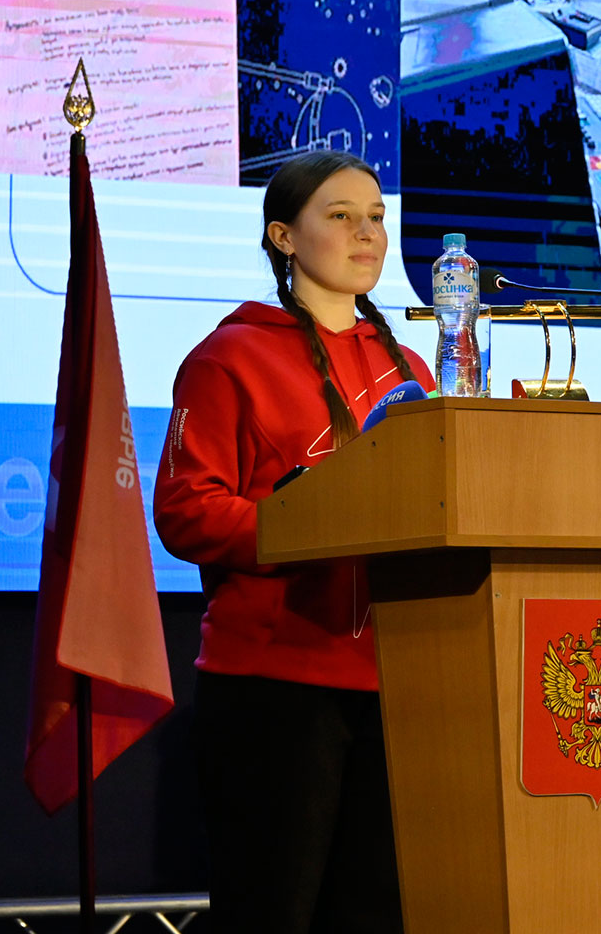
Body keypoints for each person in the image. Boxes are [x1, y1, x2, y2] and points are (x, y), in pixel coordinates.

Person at [155, 151, 434, 934]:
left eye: (375, 217)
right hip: (275, 687)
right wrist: (306, 524)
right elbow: (186, 510)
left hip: (396, 684)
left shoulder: (411, 367)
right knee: (273, 915)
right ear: (283, 236)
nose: (366, 233)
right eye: (340, 216)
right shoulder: (229, 357)